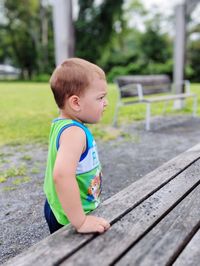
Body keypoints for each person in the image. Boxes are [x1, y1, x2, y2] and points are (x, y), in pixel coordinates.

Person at [44, 58, 110, 234]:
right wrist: (80, 222)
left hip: (61, 206)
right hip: (70, 215)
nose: (106, 103)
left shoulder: (62, 124)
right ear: (76, 103)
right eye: (101, 97)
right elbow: (62, 175)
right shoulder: (74, 133)